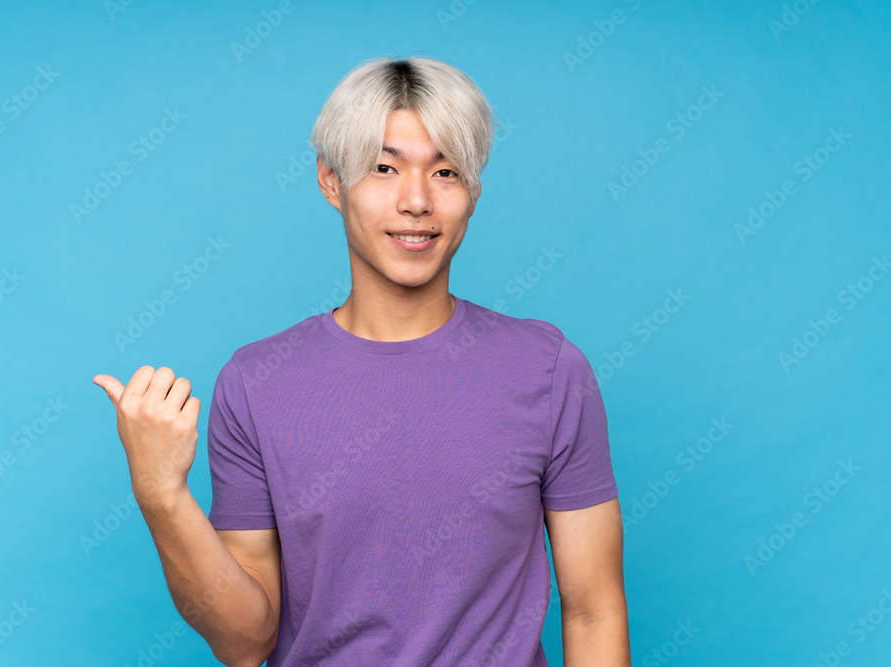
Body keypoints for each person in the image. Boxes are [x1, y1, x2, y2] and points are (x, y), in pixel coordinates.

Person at [94, 56, 630, 667]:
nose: (417, 201)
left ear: (474, 192)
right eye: (383, 168)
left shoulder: (549, 370)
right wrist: (161, 494)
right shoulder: (256, 383)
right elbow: (244, 643)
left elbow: (593, 609)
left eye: (446, 172)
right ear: (331, 182)